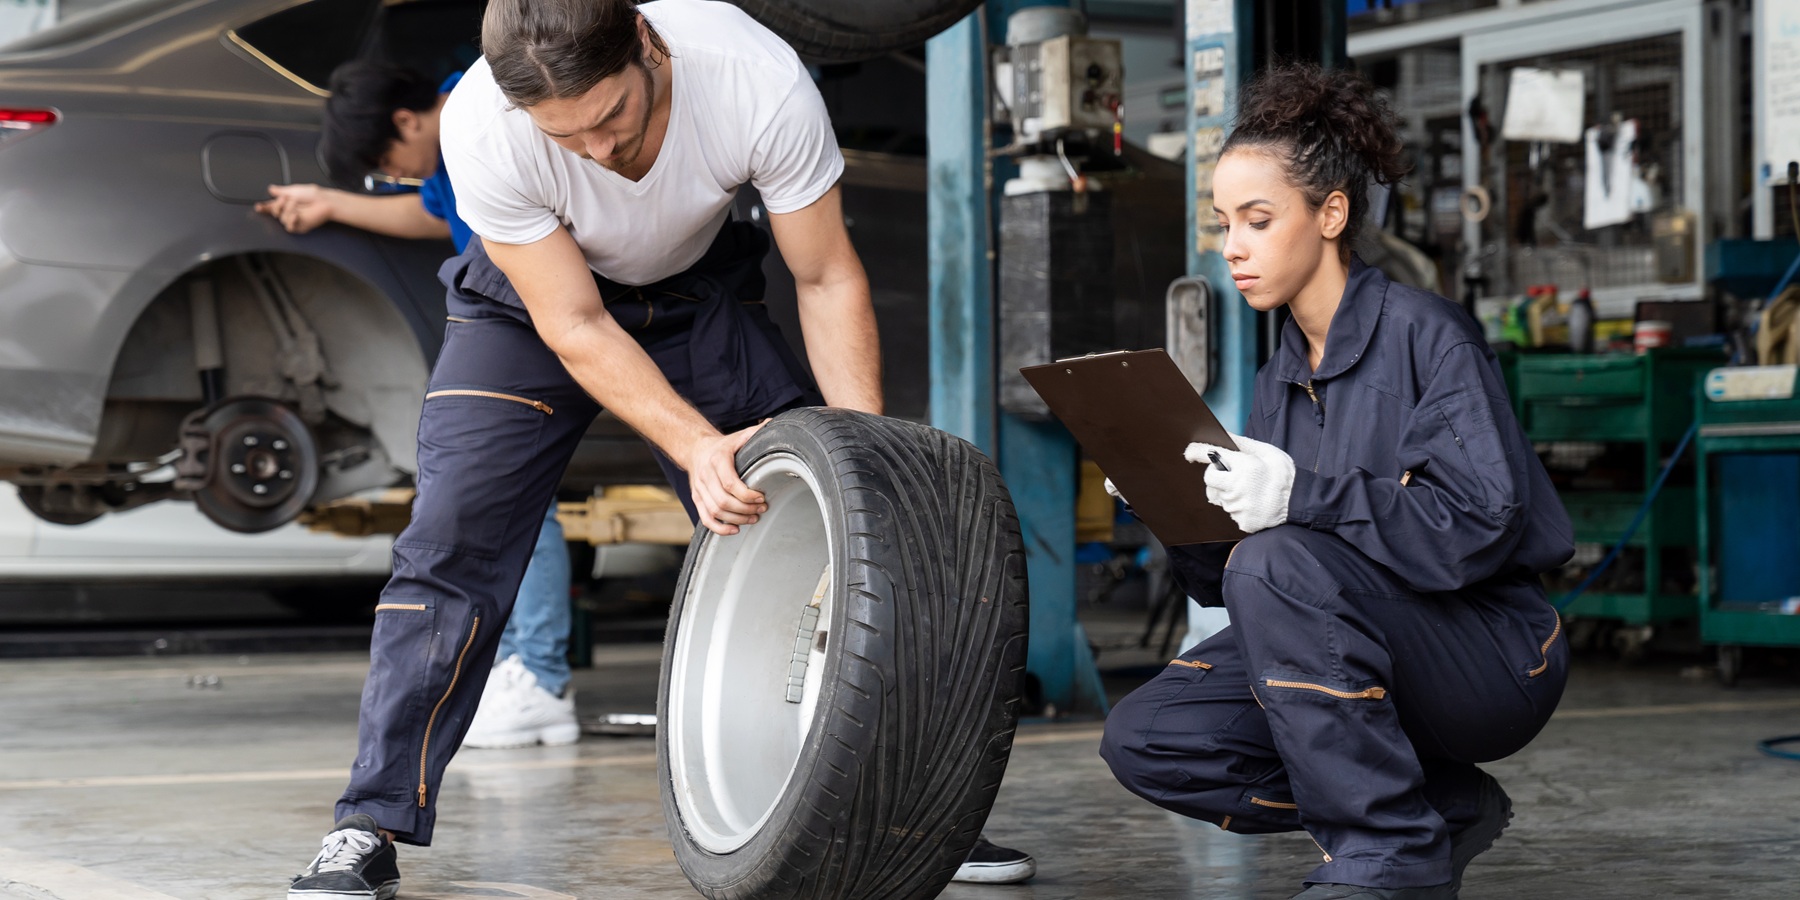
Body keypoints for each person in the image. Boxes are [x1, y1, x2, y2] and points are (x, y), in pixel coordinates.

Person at [286, 3, 1033, 897]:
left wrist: (862, 474)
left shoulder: (757, 81)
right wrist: (695, 443)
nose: (599, 151)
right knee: (451, 546)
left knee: (826, 531)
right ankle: (367, 824)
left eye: (612, 116)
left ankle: (909, 813)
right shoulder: (483, 123)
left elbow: (825, 274)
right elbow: (574, 322)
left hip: (696, 295)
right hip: (527, 314)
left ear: (648, 43)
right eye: (566, 137)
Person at [1098, 63, 1573, 900]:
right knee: (1151, 736)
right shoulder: (1278, 377)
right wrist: (1167, 501)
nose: (1233, 247)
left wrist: (1303, 498)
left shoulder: (1430, 338)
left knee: (1277, 562)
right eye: (1223, 224)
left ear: (1331, 214)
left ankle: (1388, 854)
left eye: (1258, 220)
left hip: (1489, 655)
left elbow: (1482, 524)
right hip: (1361, 639)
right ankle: (1434, 807)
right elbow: (1234, 579)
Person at [258, 62, 581, 752]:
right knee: (510, 494)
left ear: (406, 121)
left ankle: (541, 679)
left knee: (522, 493)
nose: (393, 176)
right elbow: (437, 211)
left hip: (554, 312)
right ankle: (525, 673)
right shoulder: (450, 146)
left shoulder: (489, 110)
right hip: (524, 320)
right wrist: (332, 204)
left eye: (385, 162)